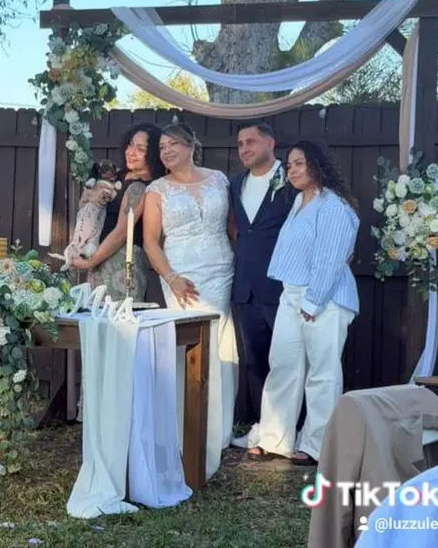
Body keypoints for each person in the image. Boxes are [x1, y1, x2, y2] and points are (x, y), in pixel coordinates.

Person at [247, 139, 360, 466]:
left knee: (323, 373)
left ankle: (317, 445)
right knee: (283, 364)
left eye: (299, 163)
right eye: (289, 165)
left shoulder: (334, 206)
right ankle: (274, 438)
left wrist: (313, 302)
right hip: (292, 295)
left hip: (325, 299)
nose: (292, 170)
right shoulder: (298, 201)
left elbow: (330, 259)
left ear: (317, 164)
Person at [142, 122, 238, 451]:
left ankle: (219, 428)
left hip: (221, 270)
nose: (166, 151)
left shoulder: (219, 180)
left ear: (190, 145)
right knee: (190, 342)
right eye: (161, 147)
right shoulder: (156, 190)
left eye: (172, 144)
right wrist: (171, 278)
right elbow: (150, 241)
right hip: (181, 276)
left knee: (220, 341)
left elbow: (233, 226)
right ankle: (187, 424)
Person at [229, 121, 294, 425]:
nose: (244, 149)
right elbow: (238, 228)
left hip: (282, 286)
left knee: (287, 362)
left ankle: (292, 428)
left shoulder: (292, 179)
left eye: (251, 142)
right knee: (254, 362)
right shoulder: (235, 184)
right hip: (245, 288)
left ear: (270, 143)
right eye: (240, 144)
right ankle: (261, 428)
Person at [70, 122, 165, 301]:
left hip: (122, 263)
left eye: (140, 149)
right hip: (98, 256)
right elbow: (86, 210)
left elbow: (121, 232)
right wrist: (89, 196)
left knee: (119, 315)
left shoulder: (143, 187)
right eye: (130, 145)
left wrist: (90, 262)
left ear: (153, 154)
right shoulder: (115, 176)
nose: (131, 152)